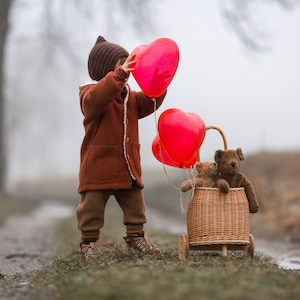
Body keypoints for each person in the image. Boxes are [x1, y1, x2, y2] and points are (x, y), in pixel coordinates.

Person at [76, 36, 167, 260]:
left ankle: (136, 237)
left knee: (136, 206)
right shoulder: (90, 94)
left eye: (128, 65)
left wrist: (159, 83)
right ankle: (89, 242)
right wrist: (118, 76)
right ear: (106, 71)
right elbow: (96, 101)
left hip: (127, 166)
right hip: (99, 165)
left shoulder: (130, 98)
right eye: (121, 65)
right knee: (92, 208)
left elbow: (149, 101)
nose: (127, 71)